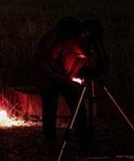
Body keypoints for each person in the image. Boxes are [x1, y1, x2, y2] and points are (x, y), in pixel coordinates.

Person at [32, 17, 101, 152]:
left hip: (67, 74)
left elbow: (82, 57)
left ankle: (84, 140)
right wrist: (65, 78)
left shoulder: (81, 38)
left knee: (78, 107)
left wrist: (78, 74)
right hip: (48, 77)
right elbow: (46, 61)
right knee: (50, 105)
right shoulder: (53, 39)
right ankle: (50, 141)